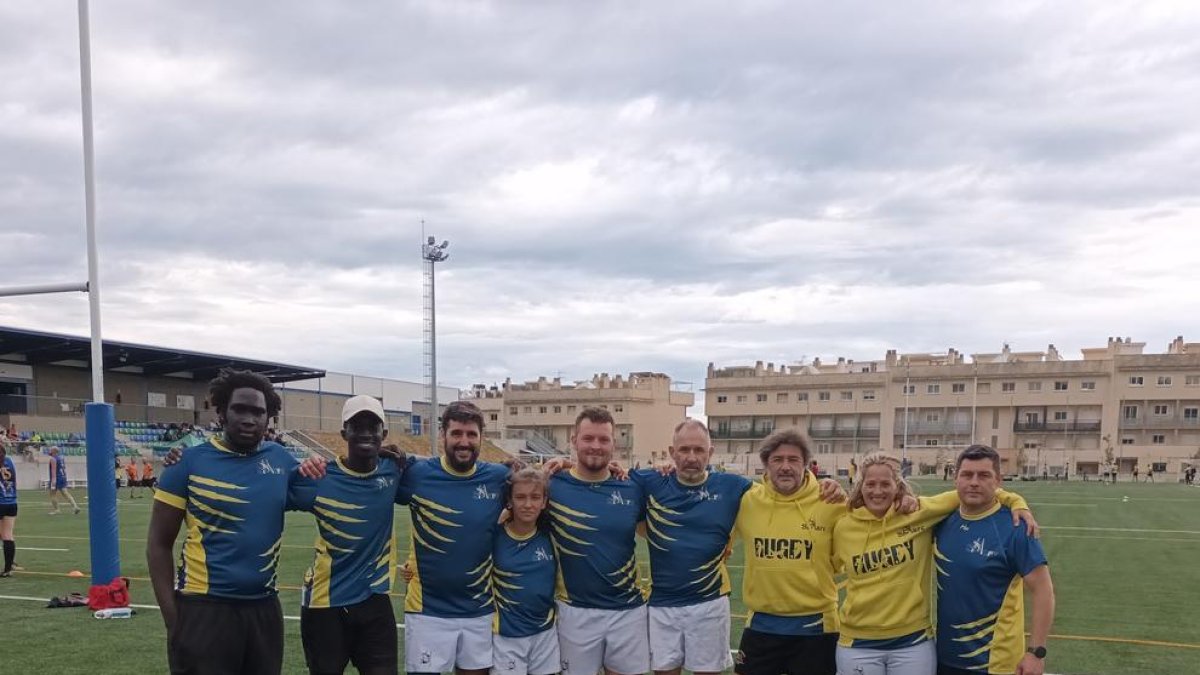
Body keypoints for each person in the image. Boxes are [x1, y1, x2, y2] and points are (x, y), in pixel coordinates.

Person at [147, 368, 306, 675]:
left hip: (264, 610)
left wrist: (383, 455)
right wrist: (173, 619)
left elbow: (335, 482)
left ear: (268, 418)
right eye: (240, 409)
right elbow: (158, 545)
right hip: (204, 609)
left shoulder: (281, 460)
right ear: (221, 413)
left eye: (258, 412)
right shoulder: (187, 463)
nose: (249, 419)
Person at [833, 452, 1035, 675]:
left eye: (885, 484)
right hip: (858, 642)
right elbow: (829, 564)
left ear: (897, 485)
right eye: (870, 484)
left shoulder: (919, 512)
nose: (877, 491)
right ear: (860, 486)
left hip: (913, 640)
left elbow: (970, 490)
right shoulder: (844, 526)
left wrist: (1016, 502)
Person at [732, 428, 892, 675]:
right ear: (765, 464)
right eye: (777, 460)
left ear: (806, 464)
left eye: (793, 459)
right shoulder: (747, 501)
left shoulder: (831, 501)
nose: (785, 467)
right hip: (763, 623)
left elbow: (874, 517)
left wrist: (905, 499)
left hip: (816, 625)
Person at [295, 395, 406, 675]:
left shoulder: (394, 470)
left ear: (384, 433)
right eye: (357, 426)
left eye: (373, 425)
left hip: (375, 600)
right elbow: (265, 486)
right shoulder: (319, 477)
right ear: (344, 432)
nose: (366, 432)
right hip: (325, 604)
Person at [398, 401, 510, 675]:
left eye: (471, 434)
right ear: (443, 436)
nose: (464, 441)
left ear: (481, 438)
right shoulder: (417, 475)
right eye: (457, 433)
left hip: (479, 610)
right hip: (428, 611)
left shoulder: (498, 478)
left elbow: (538, 487)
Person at [935, 445, 1056, 675]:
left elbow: (1043, 590)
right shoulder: (942, 521)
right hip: (944, 657)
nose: (974, 482)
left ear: (998, 480)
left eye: (984, 475)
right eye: (967, 474)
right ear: (955, 479)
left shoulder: (1015, 527)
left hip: (995, 662)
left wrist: (1036, 652)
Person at [548, 407, 649, 675]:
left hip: (627, 611)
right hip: (575, 612)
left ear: (614, 444)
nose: (596, 446)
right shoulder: (551, 485)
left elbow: (651, 532)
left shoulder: (631, 486)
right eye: (588, 438)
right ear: (574, 441)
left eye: (604, 440)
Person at [491, 468, 560, 675]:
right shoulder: (494, 537)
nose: (528, 504)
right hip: (506, 636)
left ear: (544, 502)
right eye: (520, 497)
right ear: (509, 501)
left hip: (545, 634)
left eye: (535, 497)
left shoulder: (552, 536)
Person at [0, 443, 18, 577]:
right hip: (11, 501)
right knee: (7, 535)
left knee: (4, 535)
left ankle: (9, 564)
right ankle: (8, 569)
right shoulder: (10, 461)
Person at [46, 446, 80, 515]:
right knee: (65, 493)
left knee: (52, 494)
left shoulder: (53, 459)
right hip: (63, 477)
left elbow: (53, 471)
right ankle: (75, 506)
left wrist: (53, 481)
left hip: (56, 478)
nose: (49, 451)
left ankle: (57, 510)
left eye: (51, 450)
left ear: (54, 451)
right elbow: (63, 468)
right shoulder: (61, 458)